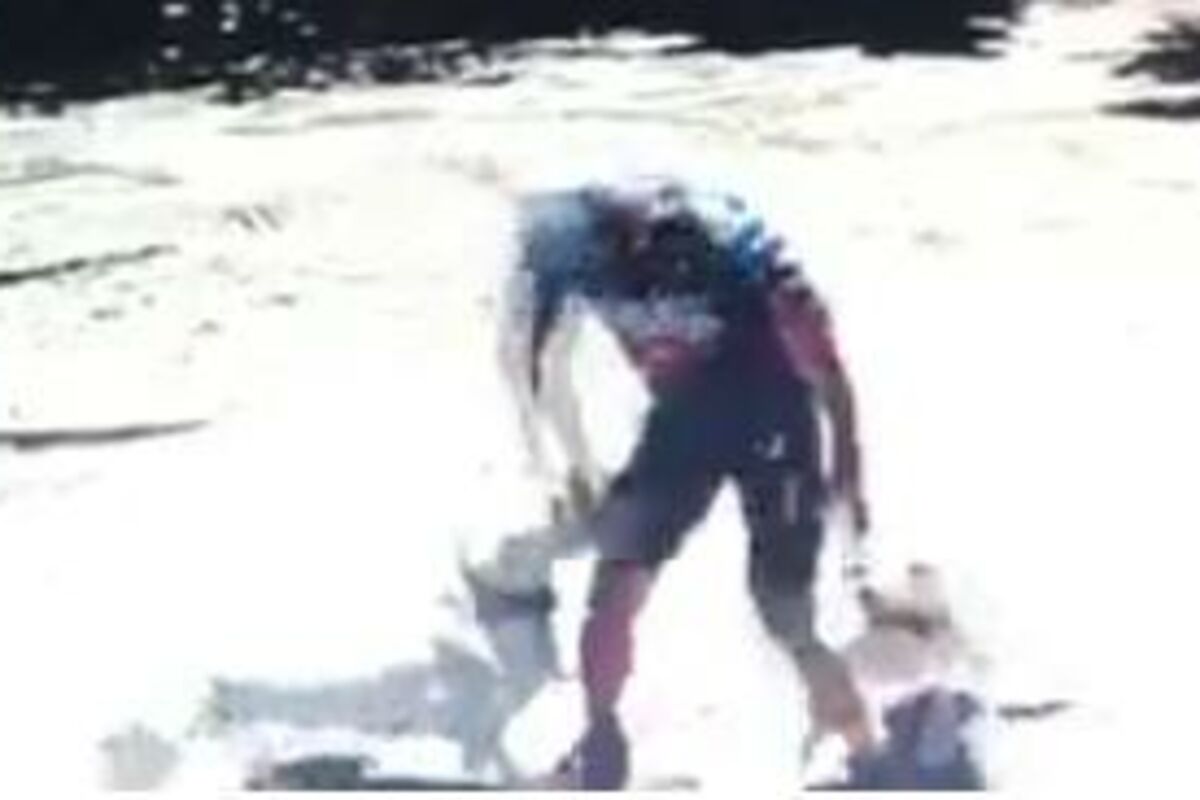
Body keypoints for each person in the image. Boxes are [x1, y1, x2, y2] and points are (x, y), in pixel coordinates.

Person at [498, 175, 875, 789]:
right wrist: (570, 470)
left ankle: (865, 749)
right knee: (617, 575)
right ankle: (600, 743)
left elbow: (822, 355)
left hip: (772, 411)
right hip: (684, 419)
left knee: (783, 608)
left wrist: (849, 466)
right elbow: (533, 367)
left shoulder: (723, 234)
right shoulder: (561, 245)